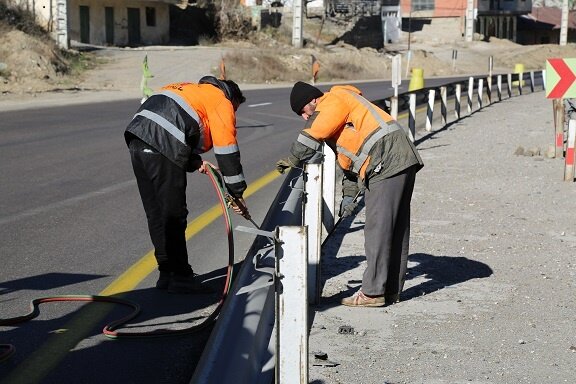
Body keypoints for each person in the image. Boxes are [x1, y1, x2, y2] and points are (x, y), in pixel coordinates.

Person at [276, 81, 424, 307]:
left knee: (379, 228)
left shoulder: (331, 100)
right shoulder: (344, 107)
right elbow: (350, 161)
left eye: (302, 112)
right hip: (399, 157)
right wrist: (348, 197)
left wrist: (292, 160)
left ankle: (373, 293)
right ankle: (390, 290)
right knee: (395, 227)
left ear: (312, 101)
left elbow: (312, 134)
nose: (304, 118)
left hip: (386, 160)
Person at [125, 76, 248, 294]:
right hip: (161, 143)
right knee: (173, 213)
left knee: (156, 212)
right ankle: (181, 276)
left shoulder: (189, 89)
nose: (234, 114)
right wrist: (236, 193)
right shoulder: (221, 100)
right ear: (232, 97)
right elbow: (227, 151)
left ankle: (166, 273)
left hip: (136, 137)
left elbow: (170, 125)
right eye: (235, 109)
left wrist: (195, 161)